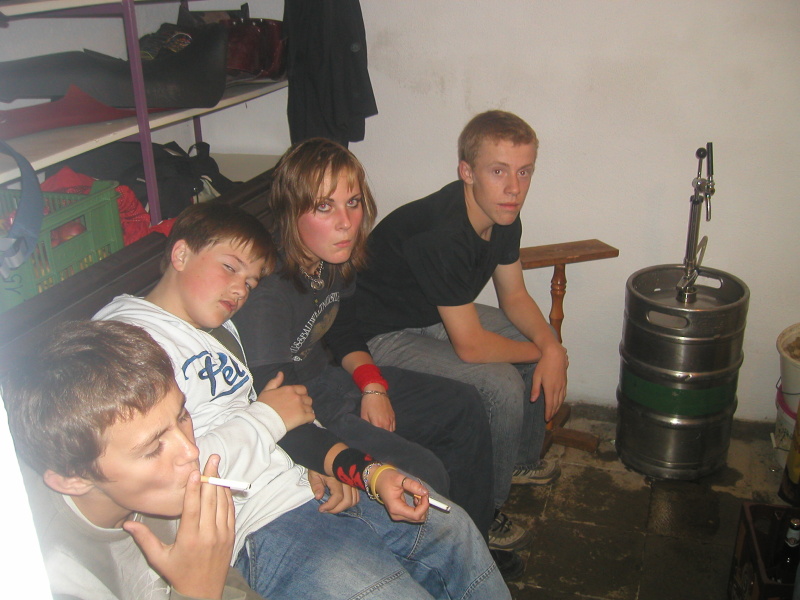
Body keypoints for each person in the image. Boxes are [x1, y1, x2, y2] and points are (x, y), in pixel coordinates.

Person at [94, 201, 510, 600]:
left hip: (304, 488)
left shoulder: (220, 329)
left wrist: (365, 472)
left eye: (251, 281)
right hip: (260, 525)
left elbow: (287, 419)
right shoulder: (123, 342)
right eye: (230, 267)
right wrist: (267, 419)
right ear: (181, 254)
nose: (240, 290)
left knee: (454, 530)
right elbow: (170, 472)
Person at [232, 137, 498, 545]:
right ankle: (441, 557)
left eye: (352, 203)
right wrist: (321, 458)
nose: (346, 223)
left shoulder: (333, 258)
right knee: (423, 469)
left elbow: (343, 328)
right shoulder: (269, 292)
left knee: (464, 405)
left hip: (331, 382)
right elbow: (275, 406)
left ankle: (476, 542)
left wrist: (373, 386)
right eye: (324, 207)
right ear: (291, 211)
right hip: (303, 409)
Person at [347, 110, 569, 552]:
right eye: (498, 171)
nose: (514, 188)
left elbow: (515, 297)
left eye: (524, 172)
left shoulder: (503, 215)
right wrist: (545, 353)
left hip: (433, 312)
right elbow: (471, 347)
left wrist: (550, 344)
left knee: (535, 339)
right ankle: (487, 508)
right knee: (501, 384)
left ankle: (518, 461)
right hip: (380, 334)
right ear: (467, 172)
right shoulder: (443, 233)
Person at [2, 319, 264, 600]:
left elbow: (231, 585)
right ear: (74, 479)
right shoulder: (46, 579)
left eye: (182, 417)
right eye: (153, 448)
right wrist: (199, 591)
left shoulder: (166, 494)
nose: (191, 451)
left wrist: (210, 568)